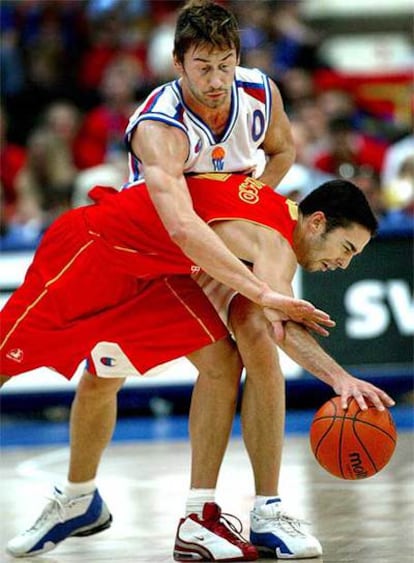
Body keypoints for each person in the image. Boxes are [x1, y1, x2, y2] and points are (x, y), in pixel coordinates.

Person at [2, 2, 394, 561]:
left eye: (226, 65)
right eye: (203, 67)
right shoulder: (159, 127)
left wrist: (244, 207)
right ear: (178, 64)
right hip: (113, 252)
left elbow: (280, 151)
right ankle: (79, 497)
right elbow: (185, 225)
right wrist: (258, 284)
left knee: (237, 352)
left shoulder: (259, 98)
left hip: (184, 263)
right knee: (97, 377)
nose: (216, 80)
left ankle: (223, 513)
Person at [2, 175, 394, 560]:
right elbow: (283, 324)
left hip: (155, 276)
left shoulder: (271, 209)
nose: (343, 264)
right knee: (29, 365)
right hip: (92, 250)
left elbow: (279, 148)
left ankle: (199, 515)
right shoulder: (275, 240)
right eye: (345, 249)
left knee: (223, 360)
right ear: (317, 222)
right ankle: (79, 497)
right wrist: (340, 378)